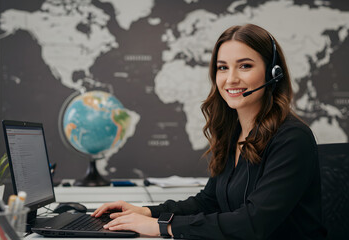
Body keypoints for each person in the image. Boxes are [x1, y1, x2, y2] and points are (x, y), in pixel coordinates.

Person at [92, 24, 326, 239]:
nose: (231, 79)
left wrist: (163, 227)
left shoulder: (292, 139)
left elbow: (253, 223)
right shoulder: (233, 131)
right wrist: (146, 211)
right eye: (222, 68)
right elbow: (210, 201)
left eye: (245, 66)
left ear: (272, 73)